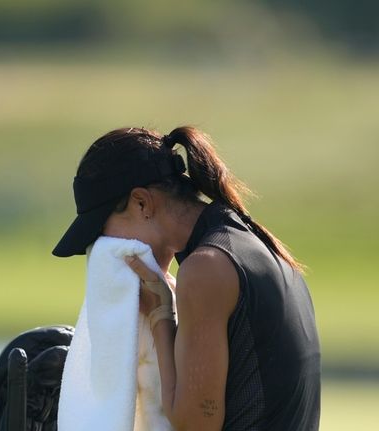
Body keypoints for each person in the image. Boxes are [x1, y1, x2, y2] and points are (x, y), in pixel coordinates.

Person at [52, 126, 320, 430]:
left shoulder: (206, 269)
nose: (104, 249)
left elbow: (196, 424)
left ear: (142, 203)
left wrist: (160, 314)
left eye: (103, 234)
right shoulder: (248, 241)